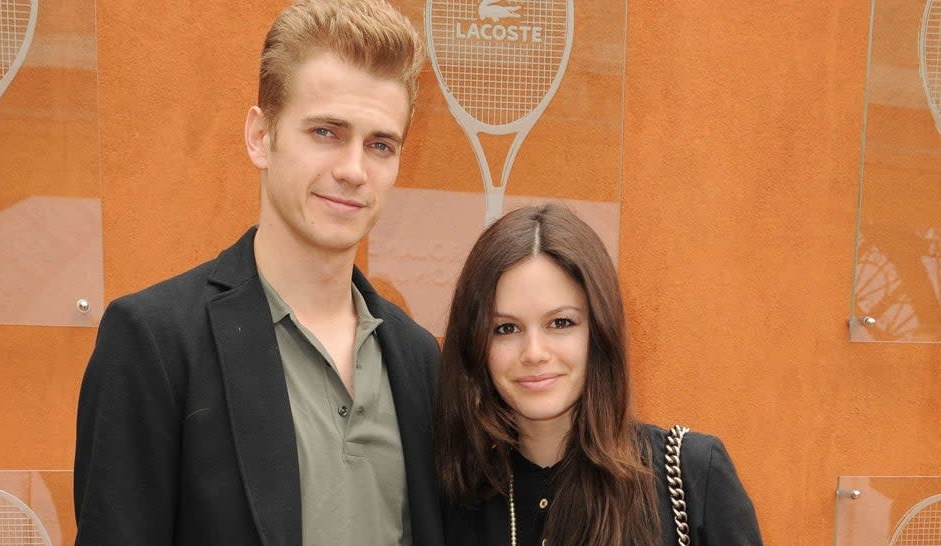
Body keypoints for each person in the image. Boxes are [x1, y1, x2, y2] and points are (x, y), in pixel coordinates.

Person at [74, 1, 444, 544]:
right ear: (259, 136)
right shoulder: (155, 340)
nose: (352, 170)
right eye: (325, 132)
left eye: (380, 145)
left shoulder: (418, 359)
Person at [434, 203, 763, 546]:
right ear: (474, 344)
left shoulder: (691, 476)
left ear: (600, 331)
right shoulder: (454, 496)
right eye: (505, 328)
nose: (533, 352)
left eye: (560, 323)